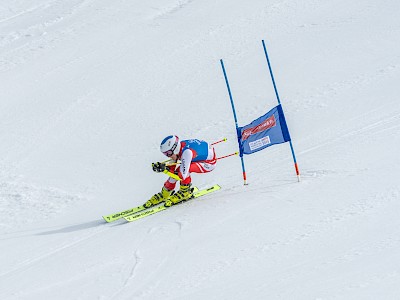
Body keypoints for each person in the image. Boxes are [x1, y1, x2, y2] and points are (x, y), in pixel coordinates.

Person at [144, 135, 217, 208]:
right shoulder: (178, 149)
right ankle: (165, 193)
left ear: (174, 149)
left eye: (168, 153)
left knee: (184, 171)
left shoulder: (186, 153)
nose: (168, 156)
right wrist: (163, 167)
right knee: (177, 171)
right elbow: (172, 167)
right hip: (201, 153)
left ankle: (185, 192)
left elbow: (182, 175)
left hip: (208, 163)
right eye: (165, 154)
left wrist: (165, 170)